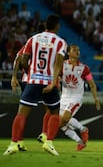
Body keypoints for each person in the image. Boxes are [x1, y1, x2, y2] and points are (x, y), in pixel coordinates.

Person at [4, 14, 67, 156]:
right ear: (57, 26)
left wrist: (31, 73)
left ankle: (13, 144)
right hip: (49, 83)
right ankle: (49, 142)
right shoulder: (60, 42)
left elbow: (23, 60)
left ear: (46, 26)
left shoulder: (33, 39)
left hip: (32, 81)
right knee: (54, 113)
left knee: (21, 114)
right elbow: (58, 64)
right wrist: (52, 82)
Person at [37, 44, 101, 151]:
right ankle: (80, 139)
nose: (77, 52)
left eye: (78, 50)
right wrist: (54, 84)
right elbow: (55, 76)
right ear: (68, 53)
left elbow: (92, 84)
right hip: (64, 97)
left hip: (76, 98)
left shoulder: (84, 68)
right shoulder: (62, 65)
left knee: (65, 119)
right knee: (60, 123)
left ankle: (82, 129)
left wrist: (96, 99)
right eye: (74, 50)